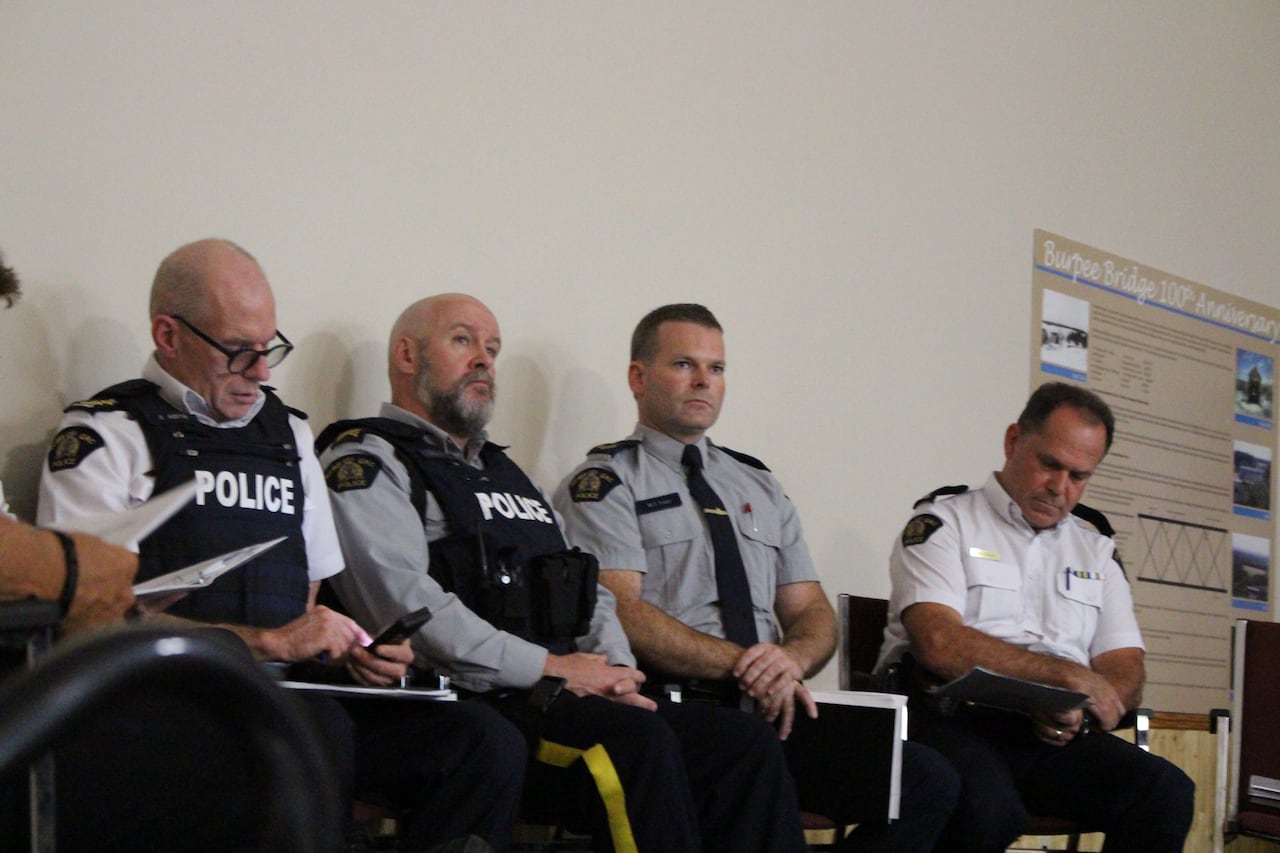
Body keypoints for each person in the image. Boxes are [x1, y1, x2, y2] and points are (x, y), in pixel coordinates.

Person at [37, 240, 522, 851]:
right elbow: (86, 624)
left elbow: (305, 600)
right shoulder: (105, 434)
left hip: (290, 695)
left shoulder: (287, 434)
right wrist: (268, 643)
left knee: (482, 741)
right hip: (157, 705)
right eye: (238, 351)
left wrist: (351, 653)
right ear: (169, 335)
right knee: (314, 731)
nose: (262, 373)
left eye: (269, 349)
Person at [318, 293, 807, 853]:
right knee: (633, 743)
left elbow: (586, 587)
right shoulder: (368, 461)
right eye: (463, 341)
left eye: (492, 349)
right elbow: (411, 607)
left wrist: (617, 673)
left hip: (549, 696)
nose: (483, 361)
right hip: (467, 704)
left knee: (739, 743)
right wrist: (553, 668)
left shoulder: (509, 475)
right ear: (407, 355)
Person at [554, 303, 960, 852]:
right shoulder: (606, 483)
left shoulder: (757, 484)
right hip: (676, 708)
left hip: (772, 707)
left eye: (716, 368)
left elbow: (811, 611)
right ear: (638, 377)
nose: (703, 381)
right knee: (746, 750)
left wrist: (789, 661)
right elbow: (621, 611)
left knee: (927, 781)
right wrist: (749, 666)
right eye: (684, 364)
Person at [875, 381, 1195, 851]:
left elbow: (1124, 665)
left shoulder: (1096, 550)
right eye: (1050, 464)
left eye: (1079, 476)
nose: (1059, 488)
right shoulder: (944, 524)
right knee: (989, 807)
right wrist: (1065, 676)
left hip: (1051, 734)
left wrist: (1082, 709)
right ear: (1013, 441)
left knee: (1164, 791)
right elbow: (938, 644)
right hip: (950, 721)